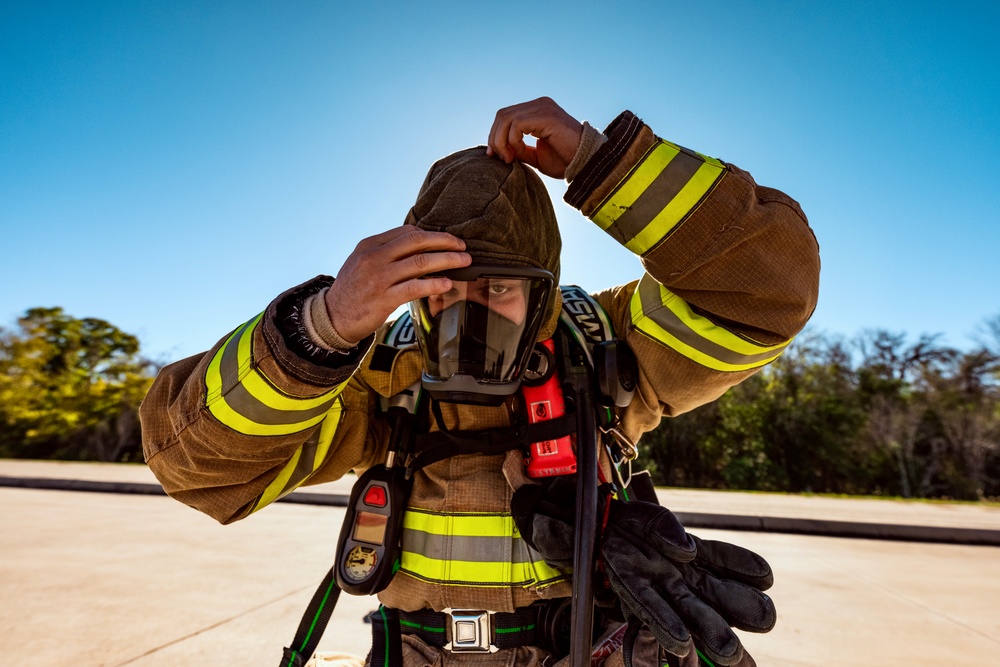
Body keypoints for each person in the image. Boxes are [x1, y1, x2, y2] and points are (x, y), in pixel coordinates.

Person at [139, 97, 820, 667]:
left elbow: (767, 287)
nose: (467, 309)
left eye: (499, 287)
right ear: (407, 288)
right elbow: (194, 467)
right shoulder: (380, 372)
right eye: (441, 286)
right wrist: (320, 327)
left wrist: (602, 163)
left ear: (545, 291)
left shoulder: (606, 347)